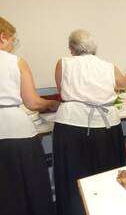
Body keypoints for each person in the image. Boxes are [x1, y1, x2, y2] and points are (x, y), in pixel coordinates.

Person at [53, 29, 126, 215]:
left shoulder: (63, 64)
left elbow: (61, 90)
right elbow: (123, 84)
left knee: (73, 178)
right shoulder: (108, 66)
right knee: (106, 175)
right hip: (106, 128)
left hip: (71, 126)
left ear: (71, 48)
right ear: (93, 48)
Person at [0, 16, 58, 215]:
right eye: (11, 40)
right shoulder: (16, 62)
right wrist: (51, 103)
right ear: (2, 37)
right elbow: (32, 103)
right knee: (31, 190)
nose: (12, 46)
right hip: (17, 135)